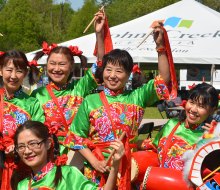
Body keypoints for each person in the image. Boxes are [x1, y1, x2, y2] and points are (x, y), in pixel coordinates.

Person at [64, 10, 177, 189]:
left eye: (119, 71)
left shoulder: (137, 97)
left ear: (128, 74)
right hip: (96, 169)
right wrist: (94, 162)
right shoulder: (91, 101)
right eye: (109, 70)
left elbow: (164, 79)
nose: (112, 75)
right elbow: (76, 137)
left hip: (128, 167)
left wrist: (160, 47)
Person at [141, 82, 219, 189]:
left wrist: (215, 139)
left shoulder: (211, 138)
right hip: (157, 182)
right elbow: (154, 148)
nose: (193, 109)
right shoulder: (172, 124)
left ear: (212, 110)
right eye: (192, 102)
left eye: (201, 106)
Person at [30, 41, 101, 154]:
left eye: (62, 64)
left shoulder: (80, 88)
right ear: (47, 65)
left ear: (71, 66)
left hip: (79, 154)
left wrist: (100, 35)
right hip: (50, 153)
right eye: (52, 63)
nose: (56, 69)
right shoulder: (38, 95)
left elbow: (100, 65)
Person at [11, 120, 124, 190]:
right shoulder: (22, 186)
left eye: (33, 144)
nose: (27, 151)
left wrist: (115, 167)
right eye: (21, 147)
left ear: (48, 143)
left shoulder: (68, 174)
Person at [0, 50, 45, 190]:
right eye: (9, 70)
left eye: (19, 71)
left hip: (23, 167)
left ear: (25, 73)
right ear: (0, 71)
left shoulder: (32, 104)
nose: (13, 76)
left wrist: (19, 148)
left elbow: (39, 134)